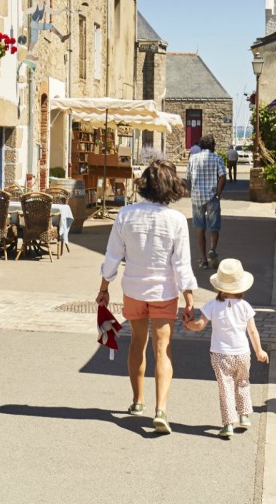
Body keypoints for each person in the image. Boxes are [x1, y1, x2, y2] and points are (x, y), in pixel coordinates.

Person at [97, 160, 196, 435]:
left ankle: (137, 400)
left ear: (145, 185)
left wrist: (104, 287)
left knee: (137, 343)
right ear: (171, 186)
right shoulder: (176, 220)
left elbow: (113, 255)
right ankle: (161, 409)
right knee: (162, 348)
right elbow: (182, 264)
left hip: (134, 289)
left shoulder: (126, 214)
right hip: (164, 291)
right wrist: (188, 297)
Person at [182, 258, 269, 439]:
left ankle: (228, 424)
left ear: (218, 286)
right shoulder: (245, 306)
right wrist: (259, 351)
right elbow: (252, 331)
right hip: (243, 353)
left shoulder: (212, 305)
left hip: (221, 355)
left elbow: (200, 325)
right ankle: (244, 415)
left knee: (226, 388)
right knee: (243, 382)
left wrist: (189, 325)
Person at [185, 136, 227, 269]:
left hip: (197, 198)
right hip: (212, 197)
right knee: (214, 227)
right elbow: (222, 176)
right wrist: (218, 194)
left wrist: (193, 190)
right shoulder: (217, 158)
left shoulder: (193, 158)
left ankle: (203, 260)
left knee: (200, 230)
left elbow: (188, 178)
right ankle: (212, 250)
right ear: (212, 146)